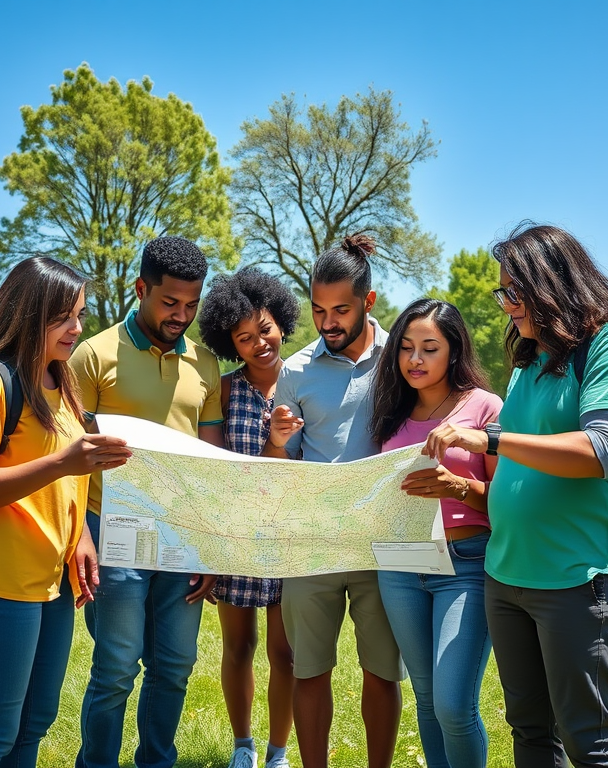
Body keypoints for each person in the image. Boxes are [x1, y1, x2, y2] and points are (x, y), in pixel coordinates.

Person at [422, 223, 608, 768]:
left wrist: (494, 437)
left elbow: (605, 449)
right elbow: (512, 475)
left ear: (553, 282)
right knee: (529, 732)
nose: (507, 306)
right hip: (507, 576)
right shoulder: (531, 360)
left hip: (577, 575)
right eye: (501, 293)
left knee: (586, 738)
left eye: (514, 292)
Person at [0, 256, 132, 767]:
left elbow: (68, 477)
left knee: (33, 725)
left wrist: (81, 539)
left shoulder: (60, 380)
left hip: (51, 581)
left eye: (82, 316)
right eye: (63, 318)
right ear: (28, 313)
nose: (77, 329)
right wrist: (61, 462)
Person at [72, 236, 224, 768]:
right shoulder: (92, 356)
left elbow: (211, 461)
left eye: (192, 304)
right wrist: (80, 536)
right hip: (111, 530)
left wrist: (208, 546)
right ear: (141, 289)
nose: (181, 315)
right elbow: (68, 459)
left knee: (176, 666)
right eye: (169, 302)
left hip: (181, 535)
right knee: (116, 667)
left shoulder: (205, 366)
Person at [263, 233, 406, 768]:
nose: (328, 323)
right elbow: (280, 467)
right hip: (313, 544)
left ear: (368, 302)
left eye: (340, 310)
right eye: (319, 310)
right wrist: (277, 439)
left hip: (382, 544)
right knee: (309, 668)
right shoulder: (295, 371)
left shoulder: (402, 359)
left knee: (382, 670)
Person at [369, 298, 501, 768]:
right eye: (405, 348)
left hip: (466, 564)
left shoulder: (485, 407)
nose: (415, 360)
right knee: (425, 699)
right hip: (401, 565)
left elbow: (506, 501)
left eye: (429, 348)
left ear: (454, 351)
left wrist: (458, 487)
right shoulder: (389, 408)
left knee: (452, 703)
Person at [197, 266, 301, 768]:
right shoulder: (223, 389)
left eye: (264, 329)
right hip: (236, 534)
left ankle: (279, 753)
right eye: (244, 337)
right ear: (229, 344)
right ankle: (244, 746)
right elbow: (216, 469)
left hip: (292, 539)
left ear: (280, 321)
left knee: (286, 654)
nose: (259, 342)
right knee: (238, 647)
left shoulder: (305, 382)